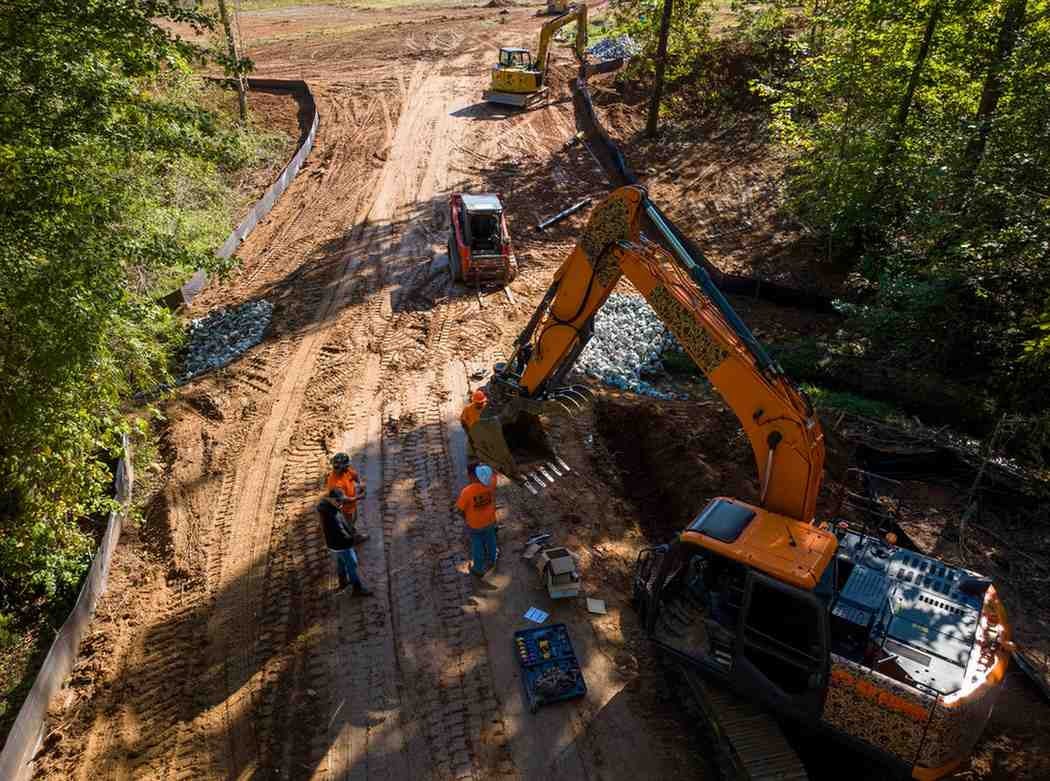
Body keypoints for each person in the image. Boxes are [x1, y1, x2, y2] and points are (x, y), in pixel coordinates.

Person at [317, 488, 372, 596]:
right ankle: (357, 588)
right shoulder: (332, 515)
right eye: (339, 501)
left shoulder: (327, 507)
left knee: (341, 561)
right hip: (341, 544)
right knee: (352, 563)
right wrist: (352, 539)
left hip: (333, 544)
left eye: (342, 500)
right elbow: (342, 532)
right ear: (332, 499)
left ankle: (342, 581)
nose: (341, 503)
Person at [455, 463, 499, 577]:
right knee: (491, 540)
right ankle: (492, 560)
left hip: (475, 525)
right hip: (490, 520)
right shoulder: (491, 483)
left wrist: (465, 518)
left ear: (473, 477)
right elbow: (494, 474)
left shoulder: (467, 491)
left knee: (477, 545)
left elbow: (460, 509)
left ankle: (478, 568)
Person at [325, 452, 369, 544]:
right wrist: (359, 497)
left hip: (352, 504)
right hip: (345, 508)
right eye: (346, 466)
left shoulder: (346, 470)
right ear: (340, 467)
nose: (348, 468)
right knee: (349, 523)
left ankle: (350, 531)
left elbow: (355, 475)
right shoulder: (334, 484)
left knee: (354, 519)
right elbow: (344, 499)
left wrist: (360, 483)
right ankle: (355, 538)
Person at [459, 389, 487, 472]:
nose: (480, 404)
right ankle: (472, 461)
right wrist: (468, 432)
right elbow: (463, 421)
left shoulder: (486, 408)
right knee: (471, 450)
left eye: (481, 402)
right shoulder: (468, 409)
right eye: (478, 403)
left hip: (483, 432)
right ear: (474, 402)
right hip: (472, 431)